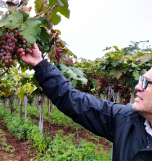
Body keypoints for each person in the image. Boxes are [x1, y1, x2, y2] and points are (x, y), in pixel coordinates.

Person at [17, 43, 152, 161]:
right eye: (141, 80)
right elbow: (75, 100)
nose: (138, 87)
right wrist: (40, 64)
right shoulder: (125, 119)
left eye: (147, 83)